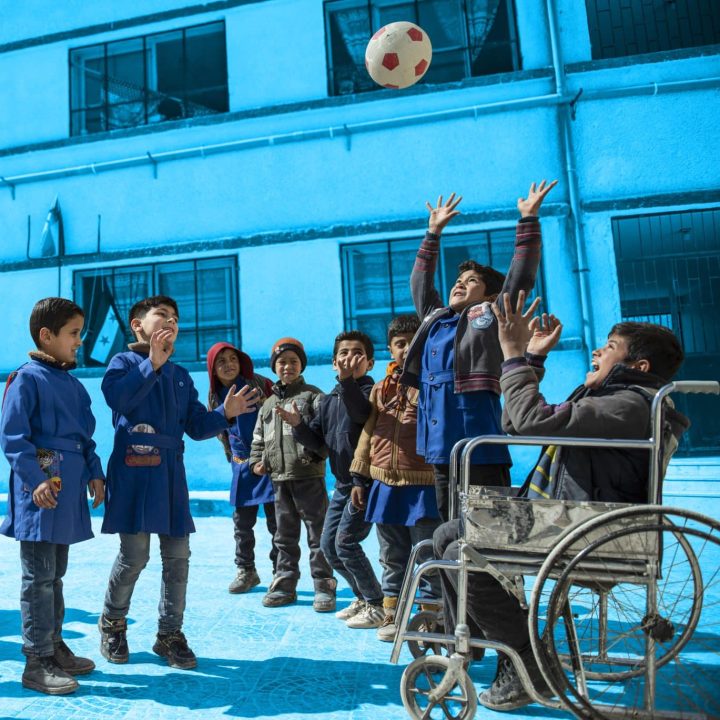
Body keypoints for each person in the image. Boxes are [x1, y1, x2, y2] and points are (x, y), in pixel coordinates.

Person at [434, 292, 689, 712]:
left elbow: (530, 421)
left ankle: (526, 657)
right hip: (574, 517)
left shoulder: (628, 405)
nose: (596, 351)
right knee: (447, 534)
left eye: (609, 348)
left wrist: (513, 353)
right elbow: (515, 422)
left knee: (461, 546)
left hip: (592, 530)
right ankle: (511, 646)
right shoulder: (615, 400)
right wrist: (531, 357)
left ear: (637, 367)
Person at [98, 296, 258, 670]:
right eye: (162, 315)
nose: (171, 321)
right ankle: (113, 623)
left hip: (170, 475)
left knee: (178, 558)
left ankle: (170, 633)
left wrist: (225, 414)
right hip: (134, 470)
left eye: (176, 318)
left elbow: (197, 426)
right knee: (134, 555)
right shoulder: (123, 363)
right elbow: (116, 398)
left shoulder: (181, 376)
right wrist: (151, 363)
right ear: (138, 325)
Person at [401, 181, 557, 521]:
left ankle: (500, 576)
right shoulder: (435, 318)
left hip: (479, 447)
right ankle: (459, 577)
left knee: (488, 528)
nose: (460, 283)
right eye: (459, 280)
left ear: (489, 294)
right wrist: (432, 233)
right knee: (451, 528)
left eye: (472, 281)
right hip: (440, 448)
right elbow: (419, 283)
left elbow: (520, 278)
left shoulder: (491, 313)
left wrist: (528, 219)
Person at [0, 298, 105, 695]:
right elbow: (13, 438)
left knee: (55, 576)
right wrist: (34, 478)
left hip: (67, 491)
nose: (80, 341)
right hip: (41, 493)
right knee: (37, 578)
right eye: (74, 334)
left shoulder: (74, 385)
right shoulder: (26, 379)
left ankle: (54, 645)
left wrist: (95, 473)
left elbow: (85, 439)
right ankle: (36, 659)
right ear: (47, 336)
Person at [276, 331, 383, 628]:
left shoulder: (369, 392)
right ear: (334, 362)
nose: (349, 358)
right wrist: (298, 425)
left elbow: (362, 414)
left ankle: (377, 604)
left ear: (370, 363)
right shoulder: (327, 401)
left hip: (364, 483)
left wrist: (349, 381)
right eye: (343, 354)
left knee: (346, 542)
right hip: (342, 486)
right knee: (329, 546)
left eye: (357, 354)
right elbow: (318, 442)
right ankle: (363, 597)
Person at [350, 315, 441, 642]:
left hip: (422, 485)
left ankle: (430, 616)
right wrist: (360, 478)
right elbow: (369, 432)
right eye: (399, 344)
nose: (406, 349)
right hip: (385, 486)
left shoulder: (434, 384)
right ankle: (393, 613)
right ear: (390, 350)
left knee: (428, 552)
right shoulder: (381, 388)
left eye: (412, 342)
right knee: (392, 554)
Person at [249, 337, 336, 611]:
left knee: (317, 534)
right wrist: (256, 462)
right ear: (274, 366)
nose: (288, 366)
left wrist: (313, 453)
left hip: (308, 477)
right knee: (283, 536)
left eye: (293, 361)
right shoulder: (267, 405)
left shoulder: (313, 396)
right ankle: (285, 583)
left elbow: (325, 436)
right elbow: (258, 439)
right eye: (282, 362)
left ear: (302, 365)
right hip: (279, 481)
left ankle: (324, 585)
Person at [206, 341, 278, 594]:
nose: (228, 365)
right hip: (241, 466)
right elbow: (220, 432)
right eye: (221, 362)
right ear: (213, 369)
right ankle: (246, 570)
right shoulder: (215, 397)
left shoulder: (259, 386)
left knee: (276, 522)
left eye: (232, 359)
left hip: (267, 464)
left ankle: (281, 572)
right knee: (242, 523)